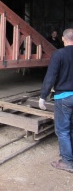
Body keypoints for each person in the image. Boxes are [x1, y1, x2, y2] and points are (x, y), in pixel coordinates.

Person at [39, 28, 73, 173]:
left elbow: (51, 76)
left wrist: (43, 96)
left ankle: (67, 162)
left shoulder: (59, 54)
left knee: (63, 130)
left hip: (63, 97)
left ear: (64, 39)